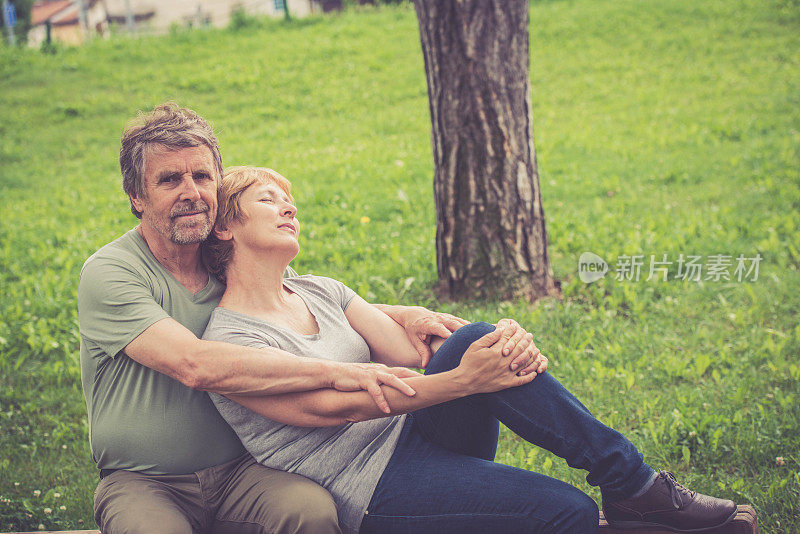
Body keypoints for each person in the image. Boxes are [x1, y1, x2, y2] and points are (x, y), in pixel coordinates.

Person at [201, 165, 739, 534]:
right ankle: (632, 488)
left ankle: (631, 482)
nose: (288, 208)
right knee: (567, 514)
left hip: (418, 431)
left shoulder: (320, 289)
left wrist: (502, 348)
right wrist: (469, 380)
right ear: (225, 226)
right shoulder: (230, 341)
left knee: (472, 335)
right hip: (368, 485)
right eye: (267, 200)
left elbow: (417, 351)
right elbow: (332, 408)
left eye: (290, 201)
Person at [78, 103, 525, 534]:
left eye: (201, 176)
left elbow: (303, 301)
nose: (191, 192)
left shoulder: (224, 257)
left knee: (310, 513)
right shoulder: (113, 273)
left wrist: (400, 313)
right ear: (137, 196)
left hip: (245, 471)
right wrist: (339, 372)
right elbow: (193, 364)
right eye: (170, 179)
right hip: (146, 481)